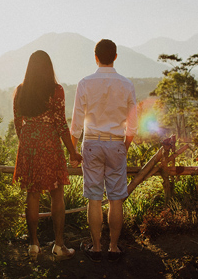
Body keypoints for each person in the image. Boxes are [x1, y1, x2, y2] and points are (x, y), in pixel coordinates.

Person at [70, 39, 137, 263]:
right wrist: (124, 147)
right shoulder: (127, 84)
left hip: (92, 142)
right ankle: (114, 247)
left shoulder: (85, 83)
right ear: (115, 57)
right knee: (116, 198)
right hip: (116, 142)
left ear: (96, 57)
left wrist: (72, 149)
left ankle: (97, 248)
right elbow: (133, 125)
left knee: (94, 198)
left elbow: (76, 123)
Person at [13, 50, 82, 261]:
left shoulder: (20, 90)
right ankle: (59, 246)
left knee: (32, 193)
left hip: (28, 142)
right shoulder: (56, 90)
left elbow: (17, 122)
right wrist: (72, 151)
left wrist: (26, 142)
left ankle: (33, 245)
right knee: (57, 192)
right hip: (50, 142)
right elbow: (61, 124)